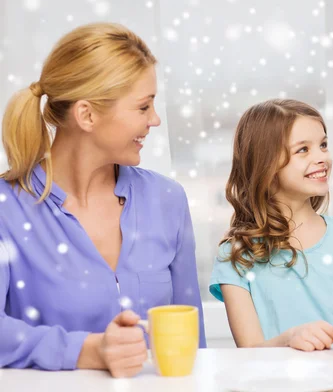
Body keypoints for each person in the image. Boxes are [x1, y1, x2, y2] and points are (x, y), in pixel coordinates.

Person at [0, 23, 206, 377]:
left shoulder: (166, 199)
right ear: (87, 115)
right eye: (143, 107)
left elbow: (192, 342)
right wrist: (86, 350)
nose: (154, 120)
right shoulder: (7, 210)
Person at [209, 99, 333, 350]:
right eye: (303, 149)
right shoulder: (236, 256)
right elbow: (250, 352)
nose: (322, 157)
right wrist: (288, 340)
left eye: (323, 145)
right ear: (264, 163)